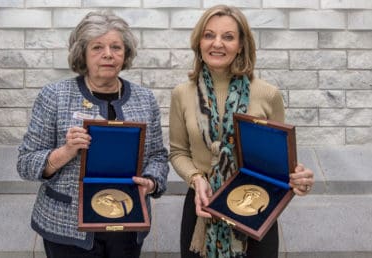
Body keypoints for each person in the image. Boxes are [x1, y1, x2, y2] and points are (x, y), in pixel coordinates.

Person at [17, 11, 169, 258]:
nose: (108, 54)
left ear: (125, 53)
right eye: (97, 47)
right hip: (67, 228)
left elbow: (158, 157)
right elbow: (25, 163)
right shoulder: (54, 96)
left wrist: (151, 182)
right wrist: (65, 152)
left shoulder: (145, 98)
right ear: (83, 54)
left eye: (116, 47)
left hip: (128, 223)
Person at [169, 5, 314, 258]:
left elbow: (279, 163)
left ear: (241, 45)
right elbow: (179, 151)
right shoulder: (182, 93)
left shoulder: (268, 95)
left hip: (257, 210)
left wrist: (298, 177)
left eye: (228, 37)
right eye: (209, 35)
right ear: (199, 42)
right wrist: (196, 178)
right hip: (201, 207)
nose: (217, 43)